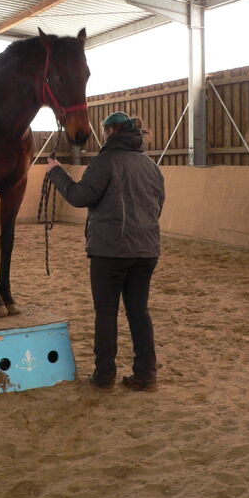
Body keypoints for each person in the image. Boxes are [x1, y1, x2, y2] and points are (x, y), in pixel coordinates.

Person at [46, 111, 165, 392]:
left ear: (109, 132)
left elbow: (78, 196)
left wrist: (56, 173)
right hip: (146, 250)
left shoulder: (105, 162)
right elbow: (157, 206)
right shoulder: (151, 166)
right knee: (139, 312)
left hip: (110, 251)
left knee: (106, 313)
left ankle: (104, 375)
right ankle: (146, 374)